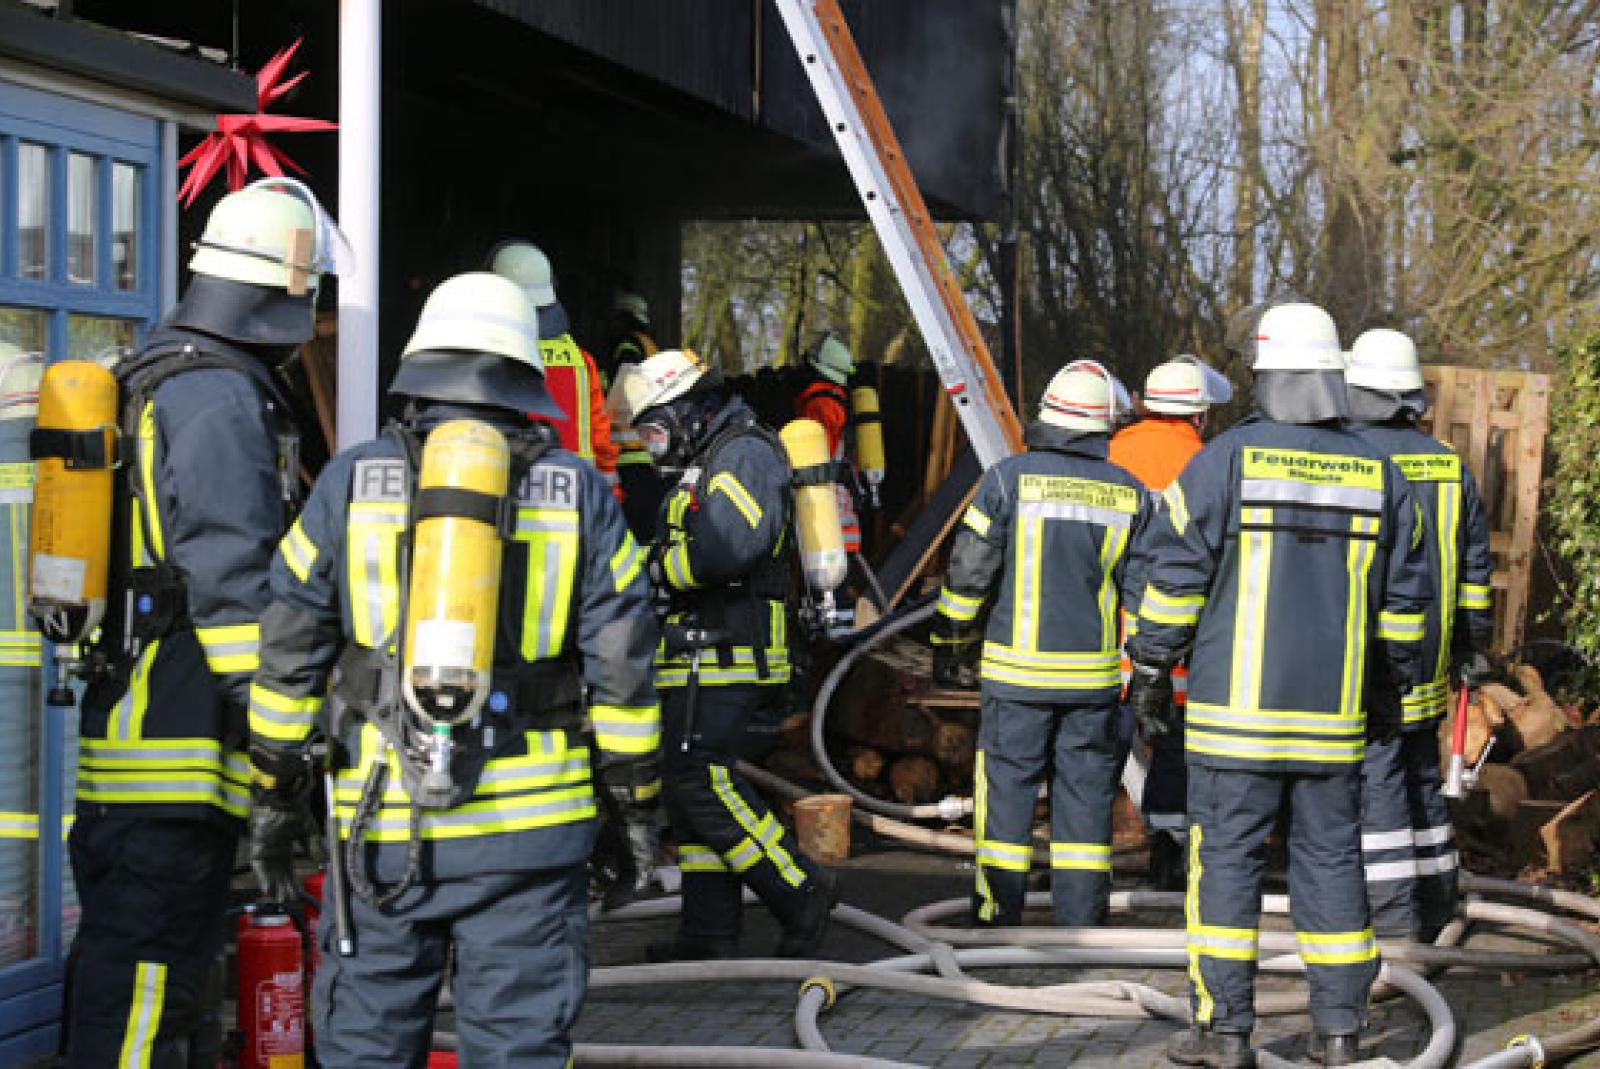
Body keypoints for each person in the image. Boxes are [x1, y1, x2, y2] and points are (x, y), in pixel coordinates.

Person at [246, 272, 661, 1066]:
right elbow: (623, 664)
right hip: (529, 839)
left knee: (364, 1049)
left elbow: (287, 647)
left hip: (380, 831)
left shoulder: (350, 483)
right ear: (523, 377)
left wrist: (273, 795)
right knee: (518, 1049)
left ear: (422, 368)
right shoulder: (577, 491)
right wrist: (635, 808)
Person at [65, 179, 333, 1067]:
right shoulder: (217, 396)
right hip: (174, 756)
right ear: (279, 290)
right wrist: (282, 738)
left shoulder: (157, 372)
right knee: (147, 983)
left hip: (141, 740)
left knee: (139, 970)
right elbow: (231, 584)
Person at [1125, 302, 1430, 1068]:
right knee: (1332, 864)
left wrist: (1152, 667)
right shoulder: (1381, 473)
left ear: (1264, 374)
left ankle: (1224, 1031)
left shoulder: (1222, 461)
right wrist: (1388, 689)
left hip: (1233, 723)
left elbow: (1174, 579)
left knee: (1226, 865)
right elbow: (1405, 605)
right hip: (1333, 722)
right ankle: (1340, 1031)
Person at [617, 348, 837, 961]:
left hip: (729, 647)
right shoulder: (708, 458)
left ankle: (801, 889)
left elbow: (726, 549)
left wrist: (654, 569)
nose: (652, 446)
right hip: (700, 649)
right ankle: (709, 932)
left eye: (655, 430)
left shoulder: (742, 453)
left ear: (687, 410)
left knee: (701, 778)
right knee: (689, 789)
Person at [933, 361, 1153, 927]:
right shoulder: (1129, 494)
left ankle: (996, 916)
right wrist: (1148, 673)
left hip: (1016, 679)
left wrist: (950, 644)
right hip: (1092, 685)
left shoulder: (1008, 480)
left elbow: (968, 574)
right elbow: (1147, 596)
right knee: (1085, 802)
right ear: (1103, 424)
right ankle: (1081, 923)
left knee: (1007, 797)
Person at [1344, 328, 1492, 942]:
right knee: (1421, 778)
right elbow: (1475, 570)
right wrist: (1471, 645)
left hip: (1369, 658)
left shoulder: (1351, 458)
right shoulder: (1449, 465)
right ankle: (1436, 903)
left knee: (1376, 783)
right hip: (1431, 657)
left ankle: (1392, 922)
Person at [1109, 357, 1226, 890]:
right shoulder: (1207, 464)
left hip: (1105, 634)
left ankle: (1081, 862)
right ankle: (1169, 855)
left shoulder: (1109, 453)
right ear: (1198, 414)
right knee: (1175, 746)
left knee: (1100, 747)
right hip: (1175, 635)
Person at [488, 240, 621, 493]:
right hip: (573, 494)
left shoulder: (491, 355)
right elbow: (601, 439)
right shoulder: (580, 359)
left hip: (509, 492)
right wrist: (608, 500)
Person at [792, 331, 863, 556]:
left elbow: (817, 460)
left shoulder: (821, 405)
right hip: (839, 502)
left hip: (826, 504)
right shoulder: (836, 399)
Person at [601, 290, 658, 386]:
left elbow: (625, 385)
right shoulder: (647, 342)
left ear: (626, 318)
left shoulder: (627, 346)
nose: (612, 323)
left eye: (617, 318)